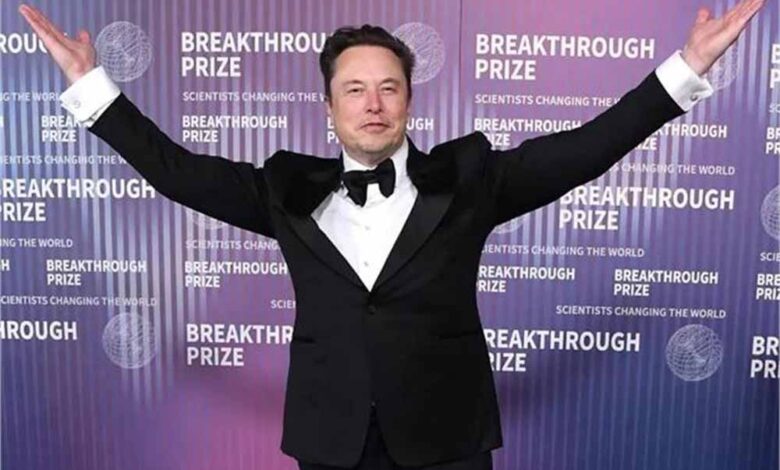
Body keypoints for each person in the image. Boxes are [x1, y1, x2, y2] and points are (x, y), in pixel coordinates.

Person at [18, 2, 765, 469]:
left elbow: (586, 149)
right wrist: (93, 87)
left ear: (408, 100)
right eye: (354, 89)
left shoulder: (470, 179)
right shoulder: (284, 188)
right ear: (329, 105)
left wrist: (686, 68)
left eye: (388, 88)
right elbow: (176, 171)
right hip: (332, 441)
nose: (372, 104)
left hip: (447, 440)